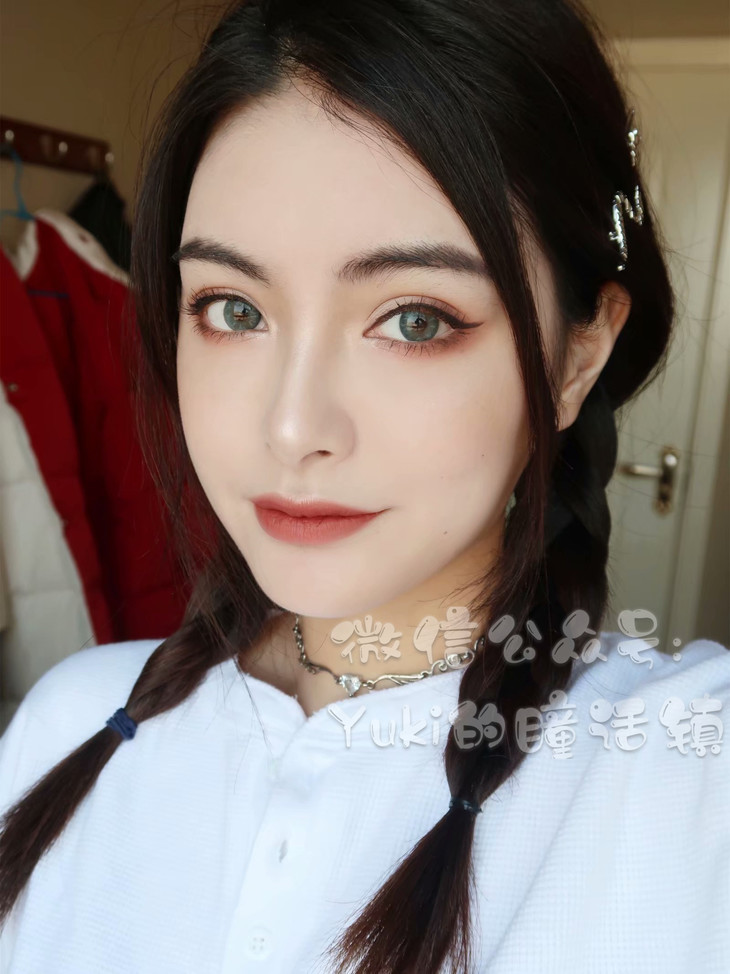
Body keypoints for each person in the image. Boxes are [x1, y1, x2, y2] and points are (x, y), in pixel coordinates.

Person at [0, 1, 728, 972]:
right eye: (232, 309)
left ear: (576, 357)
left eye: (415, 320)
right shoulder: (70, 723)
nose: (292, 428)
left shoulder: (686, 773)